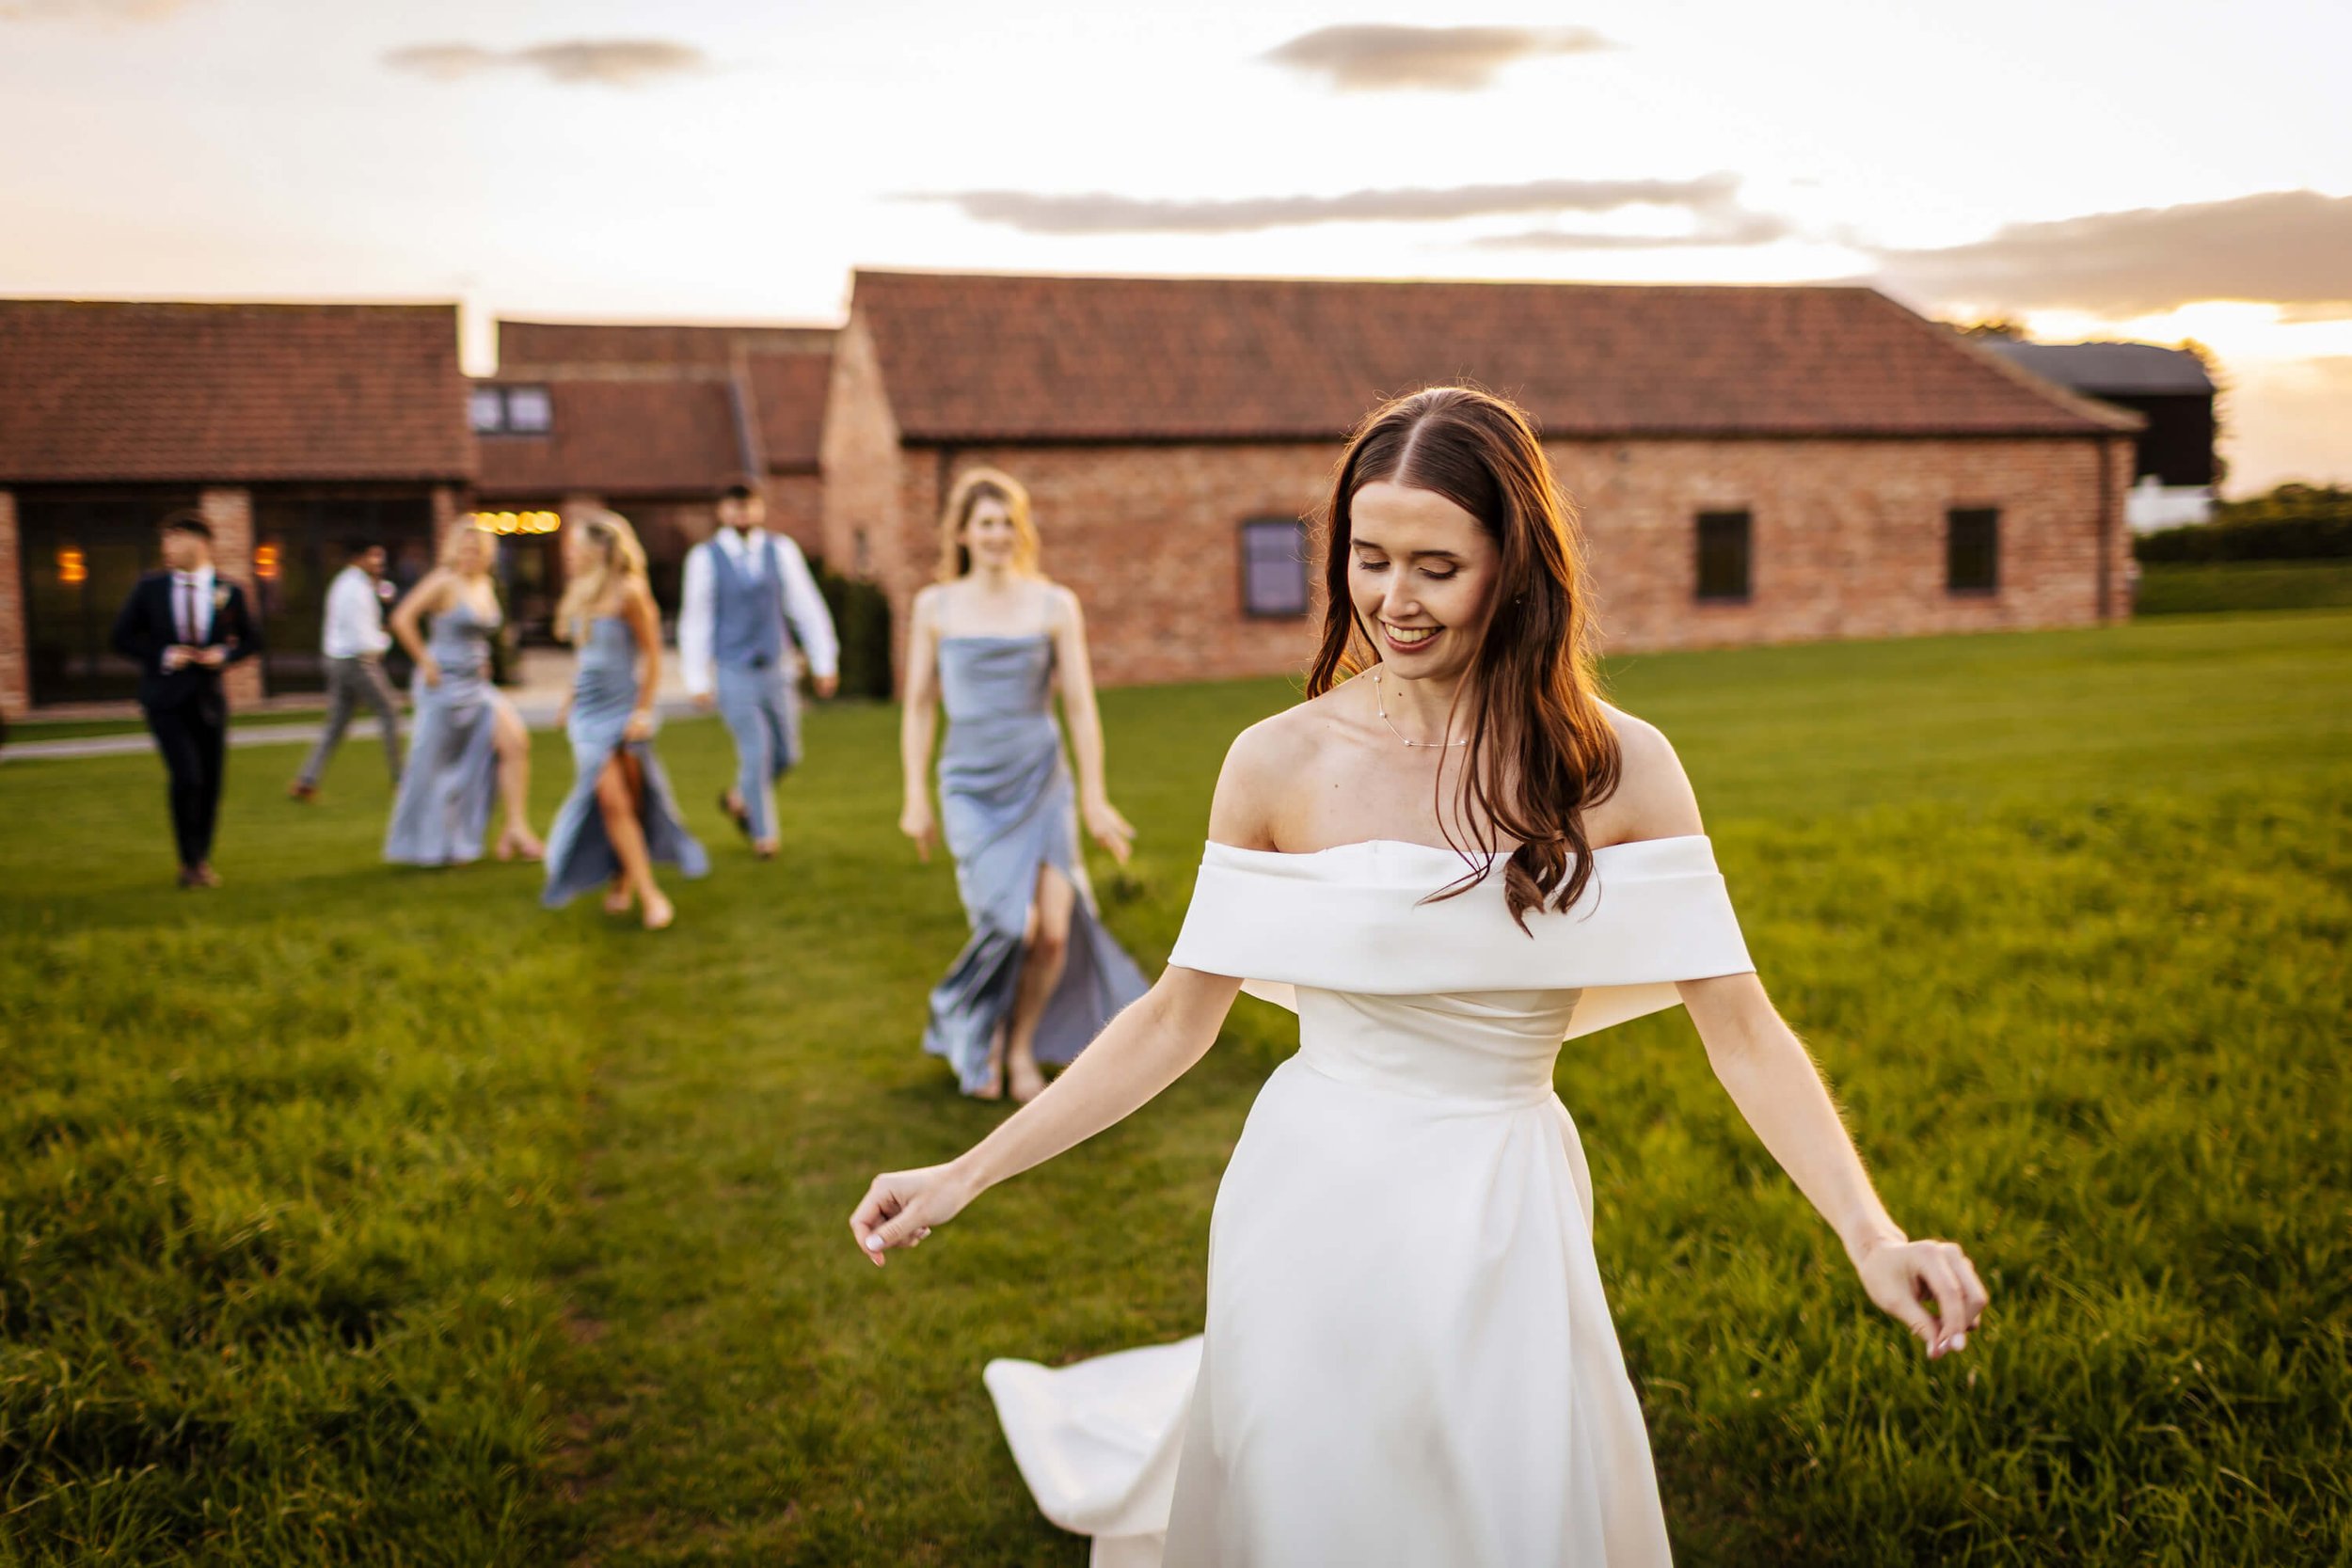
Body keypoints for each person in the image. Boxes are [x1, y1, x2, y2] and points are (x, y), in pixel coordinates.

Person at [851, 389, 1990, 1565]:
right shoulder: (1275, 762)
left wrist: (1869, 1232)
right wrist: (965, 1171)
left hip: (1504, 1201)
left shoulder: (1620, 769)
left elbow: (1742, 1028)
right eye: (1368, 556)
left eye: (1437, 565)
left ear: (1516, 566)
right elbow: (1172, 1018)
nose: (1394, 599)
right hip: (1307, 1190)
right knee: (1308, 1491)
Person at [898, 468, 1148, 1103]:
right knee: (1011, 924)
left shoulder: (1054, 603)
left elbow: (1082, 706)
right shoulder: (935, 605)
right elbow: (920, 707)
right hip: (970, 787)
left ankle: (1017, 1049)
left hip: (1043, 781)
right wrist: (915, 795)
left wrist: (1092, 796)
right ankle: (963, 1018)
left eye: (1009, 521)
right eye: (985, 522)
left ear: (1022, 530)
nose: (998, 534)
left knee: (1054, 932)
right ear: (961, 532)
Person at [541, 509, 707, 929]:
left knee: (629, 803)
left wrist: (644, 711)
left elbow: (652, 656)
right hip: (587, 715)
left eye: (577, 548)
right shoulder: (580, 592)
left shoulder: (630, 592)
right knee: (612, 801)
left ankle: (623, 880)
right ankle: (651, 895)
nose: (571, 556)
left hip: (623, 710)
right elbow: (587, 659)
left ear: (601, 550)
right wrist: (569, 698)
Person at [676, 479, 841, 858]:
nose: (742, 513)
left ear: (760, 509)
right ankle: (764, 836)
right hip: (734, 669)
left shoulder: (780, 551)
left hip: (777, 667)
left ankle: (738, 796)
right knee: (757, 751)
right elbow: (696, 620)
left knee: (787, 754)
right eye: (734, 507)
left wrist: (823, 661)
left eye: (748, 505)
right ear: (722, 512)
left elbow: (806, 607)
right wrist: (697, 678)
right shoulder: (705, 558)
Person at [108, 510, 260, 888]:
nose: (168, 548)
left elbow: (254, 641)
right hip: (164, 697)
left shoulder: (229, 591)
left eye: (174, 539)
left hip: (209, 699)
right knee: (187, 776)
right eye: (165, 540)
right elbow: (121, 637)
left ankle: (200, 860)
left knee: (210, 782)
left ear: (200, 542)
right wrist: (163, 654)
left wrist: (223, 656)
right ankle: (188, 860)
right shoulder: (150, 588)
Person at [383, 522, 543, 866]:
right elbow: (402, 618)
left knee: (515, 743)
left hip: (477, 685)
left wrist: (485, 661)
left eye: (478, 549)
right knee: (436, 767)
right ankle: (432, 844)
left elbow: (482, 633)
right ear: (454, 549)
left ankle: (516, 827)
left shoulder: (485, 584)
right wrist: (425, 660)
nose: (471, 555)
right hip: (442, 687)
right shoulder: (443, 582)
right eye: (465, 548)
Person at [289, 539, 403, 801]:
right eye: (375, 557)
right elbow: (362, 638)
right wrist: (385, 639)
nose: (379, 563)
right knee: (390, 711)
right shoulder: (354, 588)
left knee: (337, 724)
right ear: (359, 557)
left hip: (339, 659)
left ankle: (307, 780)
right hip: (356, 661)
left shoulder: (351, 584)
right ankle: (401, 780)